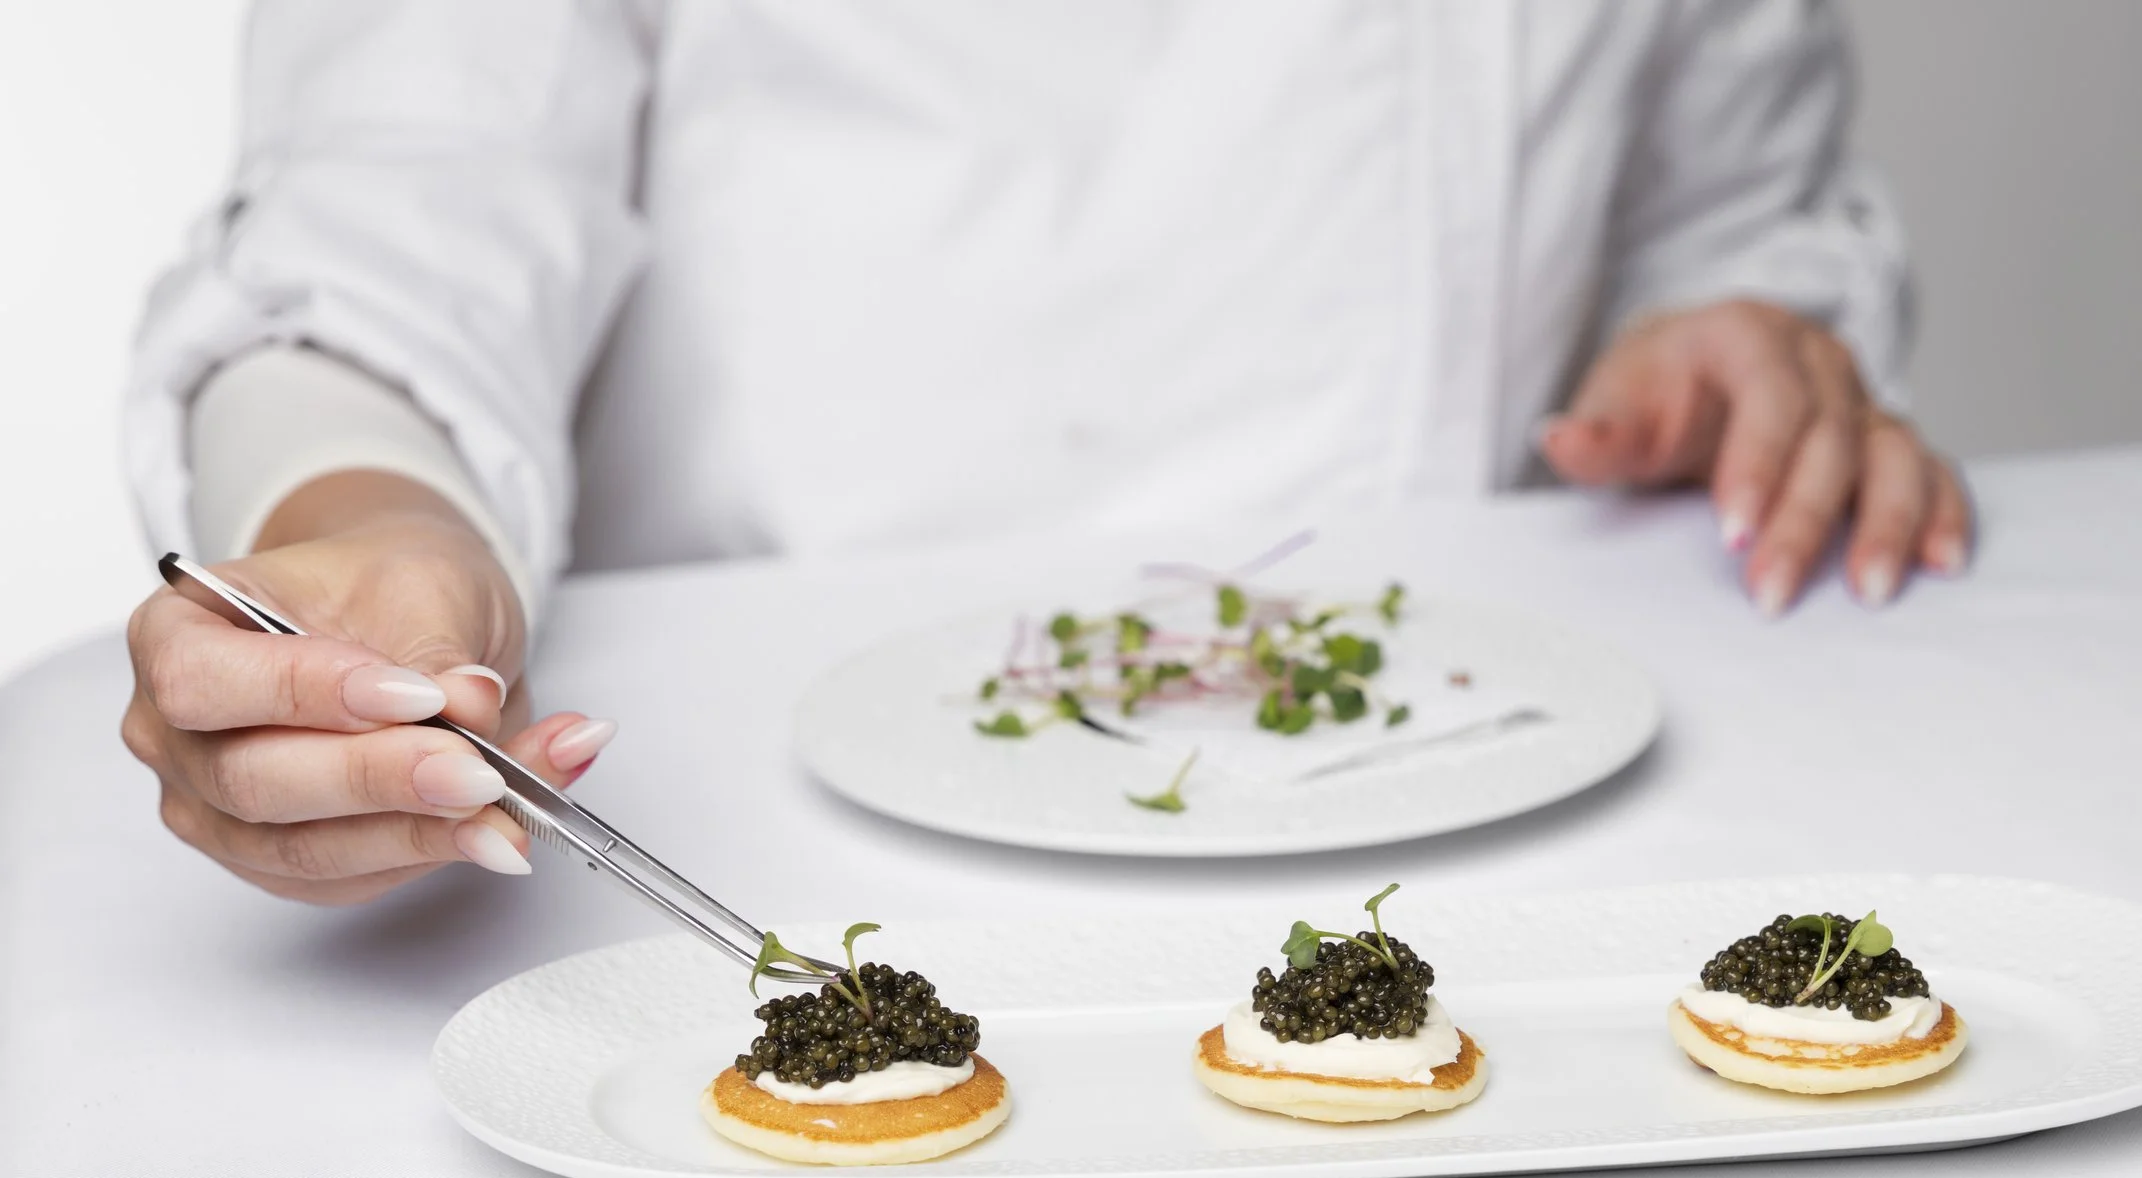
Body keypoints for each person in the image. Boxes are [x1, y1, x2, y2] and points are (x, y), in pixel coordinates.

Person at [119, 0, 1970, 904]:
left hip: (1496, 777)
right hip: (781, 817)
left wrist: (1731, 326)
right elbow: (400, 204)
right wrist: (363, 517)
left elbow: (1735, 184)